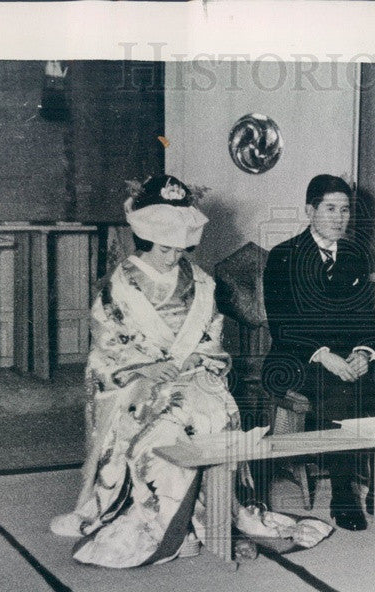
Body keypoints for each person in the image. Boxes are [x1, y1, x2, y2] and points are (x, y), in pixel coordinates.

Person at [50, 174, 329, 566]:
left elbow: (211, 334)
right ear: (146, 239)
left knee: (218, 415)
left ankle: (213, 519)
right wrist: (146, 369)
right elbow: (107, 346)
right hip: (140, 383)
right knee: (165, 428)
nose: (173, 258)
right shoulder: (119, 286)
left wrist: (199, 359)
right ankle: (173, 526)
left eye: (180, 250)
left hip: (193, 375)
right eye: (165, 249)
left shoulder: (200, 282)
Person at [262, 175, 375, 531]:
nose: (339, 217)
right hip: (296, 357)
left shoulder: (355, 256)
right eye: (330, 209)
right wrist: (325, 355)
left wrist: (363, 352)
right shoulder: (284, 256)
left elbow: (365, 320)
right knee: (340, 392)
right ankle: (343, 494)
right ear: (310, 210)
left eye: (345, 210)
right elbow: (282, 325)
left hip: (345, 356)